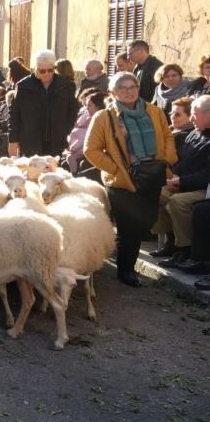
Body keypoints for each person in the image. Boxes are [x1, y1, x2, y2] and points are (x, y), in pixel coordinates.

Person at [84, 72, 177, 287]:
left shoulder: (154, 111)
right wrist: (116, 168)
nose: (129, 91)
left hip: (152, 173)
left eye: (132, 86)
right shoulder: (105, 117)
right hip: (123, 181)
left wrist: (167, 159)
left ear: (138, 87)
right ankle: (126, 270)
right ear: (113, 92)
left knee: (147, 220)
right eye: (122, 88)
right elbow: (91, 150)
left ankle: (121, 255)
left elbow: (168, 135)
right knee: (129, 227)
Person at [149, 95, 210, 270]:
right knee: (156, 193)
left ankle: (185, 248)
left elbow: (207, 174)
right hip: (184, 184)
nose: (191, 118)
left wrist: (181, 181)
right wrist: (172, 177)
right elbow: (182, 161)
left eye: (194, 114)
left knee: (177, 202)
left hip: (203, 189)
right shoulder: (195, 132)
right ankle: (172, 243)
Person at [8, 50, 80, 158]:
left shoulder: (65, 85)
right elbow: (14, 114)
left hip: (57, 140)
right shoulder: (23, 86)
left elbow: (73, 111)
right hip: (31, 140)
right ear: (35, 69)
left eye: (50, 70)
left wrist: (67, 131)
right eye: (42, 71)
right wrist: (13, 140)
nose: (46, 73)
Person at [64, 90, 107, 177]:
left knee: (81, 165)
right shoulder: (85, 117)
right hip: (77, 149)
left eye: (89, 105)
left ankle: (75, 176)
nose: (86, 108)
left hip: (91, 152)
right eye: (86, 105)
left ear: (98, 107)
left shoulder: (103, 120)